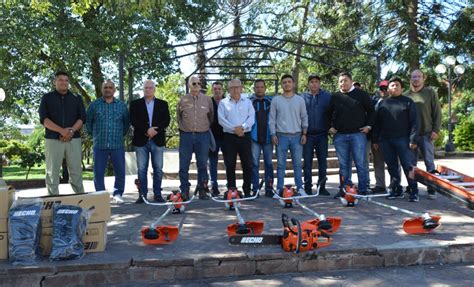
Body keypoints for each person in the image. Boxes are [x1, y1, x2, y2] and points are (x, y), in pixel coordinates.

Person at [39, 71, 86, 195]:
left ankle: (80, 198)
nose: (64, 82)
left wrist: (71, 131)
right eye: (60, 80)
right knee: (52, 172)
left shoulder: (76, 98)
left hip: (73, 139)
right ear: (55, 82)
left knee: (76, 171)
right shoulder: (47, 98)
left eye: (66, 80)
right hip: (53, 139)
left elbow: (82, 118)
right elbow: (44, 119)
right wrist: (61, 131)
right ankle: (53, 200)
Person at [373, 77, 419, 202]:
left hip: (404, 140)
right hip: (385, 141)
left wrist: (413, 140)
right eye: (392, 85)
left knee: (408, 166)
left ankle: (413, 190)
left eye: (397, 85)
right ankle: (396, 189)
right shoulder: (382, 103)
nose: (395, 87)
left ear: (402, 88)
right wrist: (375, 140)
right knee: (392, 167)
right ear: (388, 89)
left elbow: (415, 122)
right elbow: (376, 123)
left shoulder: (408, 102)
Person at [328, 72, 374, 196]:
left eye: (345, 80)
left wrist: (369, 126)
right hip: (340, 136)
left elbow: (371, 111)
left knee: (360, 163)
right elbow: (327, 113)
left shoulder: (361, 95)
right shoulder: (335, 96)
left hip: (358, 135)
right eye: (340, 81)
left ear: (351, 81)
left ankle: (363, 190)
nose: (343, 83)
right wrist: (330, 127)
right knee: (343, 165)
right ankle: (344, 189)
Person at [86, 80, 130, 204]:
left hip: (117, 144)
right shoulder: (94, 105)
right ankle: (101, 195)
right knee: (98, 172)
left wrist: (120, 135)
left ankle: (118, 194)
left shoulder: (121, 106)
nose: (108, 89)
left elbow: (126, 123)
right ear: (102, 89)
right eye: (105, 87)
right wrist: (94, 135)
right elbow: (88, 122)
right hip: (100, 144)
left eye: (110, 87)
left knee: (120, 170)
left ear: (114, 90)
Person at [130, 80, 170, 203]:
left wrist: (155, 131)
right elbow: (133, 120)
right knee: (142, 169)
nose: (148, 89)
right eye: (146, 87)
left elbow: (166, 120)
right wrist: (147, 131)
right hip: (141, 139)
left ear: (154, 89)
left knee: (158, 168)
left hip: (157, 140)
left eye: (150, 87)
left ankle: (157, 194)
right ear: (143, 89)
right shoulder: (135, 104)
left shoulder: (163, 104)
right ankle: (142, 195)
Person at [405, 69, 441, 199]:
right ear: (411, 79)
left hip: (427, 133)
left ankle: (431, 188)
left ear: (423, 78)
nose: (416, 79)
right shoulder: (406, 95)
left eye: (419, 77)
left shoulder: (430, 92)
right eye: (413, 77)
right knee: (411, 164)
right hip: (411, 136)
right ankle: (412, 188)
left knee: (429, 162)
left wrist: (436, 130)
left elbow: (437, 112)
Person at [269, 74, 308, 195]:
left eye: (289, 82)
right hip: (281, 136)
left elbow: (304, 117)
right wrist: (273, 134)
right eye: (284, 82)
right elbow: (272, 119)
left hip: (297, 135)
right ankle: (280, 189)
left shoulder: (300, 100)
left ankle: (300, 188)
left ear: (293, 84)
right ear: (282, 84)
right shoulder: (276, 100)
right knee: (281, 165)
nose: (287, 84)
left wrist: (304, 133)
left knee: (297, 164)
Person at [177, 76, 213, 200]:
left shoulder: (207, 100)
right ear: (189, 85)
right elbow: (179, 117)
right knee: (183, 165)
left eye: (198, 83)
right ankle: (185, 190)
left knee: (202, 164)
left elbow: (211, 117)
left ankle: (202, 189)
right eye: (194, 83)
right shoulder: (182, 100)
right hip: (186, 136)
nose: (196, 85)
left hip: (203, 136)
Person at [218, 79, 255, 197]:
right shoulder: (223, 103)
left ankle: (247, 190)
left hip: (245, 136)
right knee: (230, 164)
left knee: (247, 164)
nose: (235, 89)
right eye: (232, 87)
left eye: (237, 87)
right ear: (228, 89)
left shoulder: (248, 102)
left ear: (241, 88)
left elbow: (251, 118)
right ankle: (232, 191)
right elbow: (221, 120)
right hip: (229, 137)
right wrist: (235, 129)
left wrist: (242, 128)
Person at [301, 75, 331, 195]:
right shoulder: (302, 97)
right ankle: (307, 187)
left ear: (319, 83)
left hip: (322, 135)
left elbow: (332, 113)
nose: (314, 84)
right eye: (312, 82)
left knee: (322, 162)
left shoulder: (327, 97)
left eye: (316, 82)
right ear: (308, 84)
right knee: (307, 162)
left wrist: (330, 126)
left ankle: (322, 187)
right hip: (307, 135)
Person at [249, 79, 274, 198]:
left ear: (265, 88)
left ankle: (269, 188)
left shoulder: (271, 101)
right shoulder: (249, 102)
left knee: (269, 163)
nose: (259, 89)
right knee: (254, 164)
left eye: (261, 87)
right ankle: (255, 188)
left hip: (269, 136)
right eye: (257, 87)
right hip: (254, 137)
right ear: (254, 89)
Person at [367, 80, 390, 194]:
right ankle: (380, 185)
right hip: (377, 138)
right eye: (382, 89)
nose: (384, 91)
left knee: (393, 163)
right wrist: (374, 139)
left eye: (386, 88)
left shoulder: (396, 101)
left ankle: (395, 185)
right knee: (378, 162)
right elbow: (373, 121)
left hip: (392, 138)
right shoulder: (375, 101)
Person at [208, 81, 225, 196]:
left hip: (226, 137)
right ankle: (214, 186)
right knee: (213, 163)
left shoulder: (227, 102)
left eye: (219, 89)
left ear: (222, 90)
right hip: (212, 137)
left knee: (229, 162)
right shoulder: (208, 102)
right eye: (215, 89)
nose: (217, 91)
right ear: (212, 90)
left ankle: (231, 186)